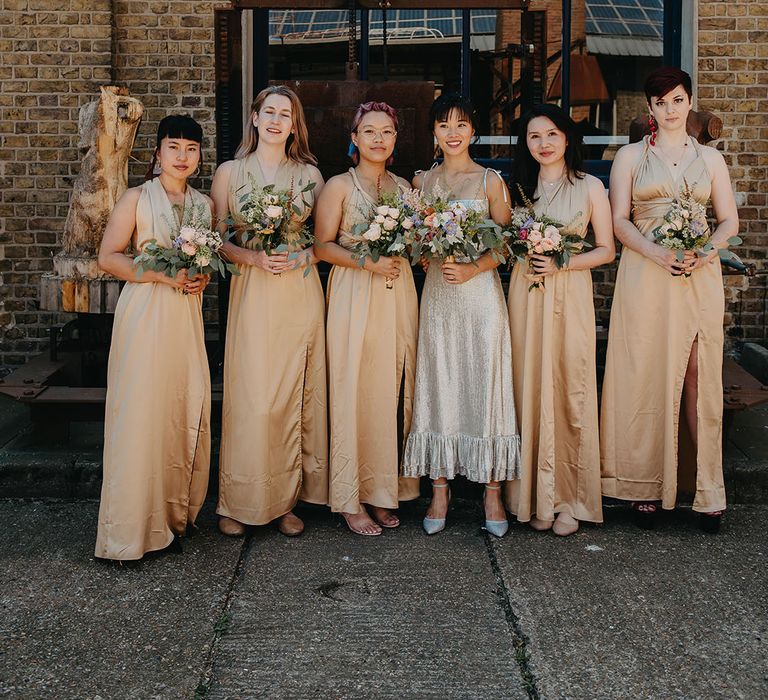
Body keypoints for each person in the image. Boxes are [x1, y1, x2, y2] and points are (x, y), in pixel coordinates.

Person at [600, 67, 739, 533]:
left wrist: (704, 253)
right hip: (646, 271)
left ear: (689, 102)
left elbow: (729, 222)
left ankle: (707, 490)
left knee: (699, 374)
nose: (671, 109)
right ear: (651, 110)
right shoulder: (630, 156)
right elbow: (620, 220)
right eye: (661, 103)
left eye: (678, 100)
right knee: (647, 370)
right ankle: (646, 487)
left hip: (699, 275)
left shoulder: (712, 161)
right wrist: (659, 252)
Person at [402, 93, 520, 537]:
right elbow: (412, 244)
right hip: (438, 297)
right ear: (434, 132)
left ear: (474, 131)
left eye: (462, 124)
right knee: (440, 381)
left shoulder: (491, 180)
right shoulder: (423, 183)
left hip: (480, 297)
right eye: (444, 124)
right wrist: (425, 252)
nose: (453, 132)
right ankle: (439, 488)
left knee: (484, 383)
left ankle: (491, 491)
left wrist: (471, 266)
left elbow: (506, 244)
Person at [95, 115, 212, 560]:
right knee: (142, 414)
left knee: (179, 406)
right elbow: (109, 258)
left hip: (185, 317)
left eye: (191, 149)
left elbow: (202, 260)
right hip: (144, 315)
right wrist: (163, 276)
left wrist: (199, 279)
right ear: (158, 153)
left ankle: (169, 518)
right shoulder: (136, 198)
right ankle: (130, 532)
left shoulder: (202, 206)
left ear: (199, 157)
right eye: (174, 147)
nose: (182, 156)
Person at [212, 86, 328, 538]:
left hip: (299, 294)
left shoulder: (312, 177)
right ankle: (237, 502)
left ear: (295, 125)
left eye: (287, 115)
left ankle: (285, 502)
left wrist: (301, 257)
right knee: (251, 397)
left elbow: (326, 242)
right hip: (252, 291)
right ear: (256, 118)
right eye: (270, 112)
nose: (278, 121)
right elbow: (216, 241)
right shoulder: (229, 172)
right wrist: (254, 258)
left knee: (292, 396)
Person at [504, 104, 615, 536]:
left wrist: (561, 263)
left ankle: (571, 500)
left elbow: (606, 250)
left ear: (567, 138)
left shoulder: (590, 188)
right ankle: (530, 497)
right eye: (534, 136)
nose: (544, 143)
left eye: (551, 134)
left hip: (569, 293)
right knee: (528, 385)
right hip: (524, 293)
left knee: (570, 387)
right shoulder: (519, 191)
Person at [314, 101, 420, 536]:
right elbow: (322, 247)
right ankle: (348, 496)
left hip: (399, 292)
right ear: (354, 139)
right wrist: (366, 262)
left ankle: (382, 490)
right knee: (353, 387)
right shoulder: (339, 186)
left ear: (395, 140)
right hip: (354, 291)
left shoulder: (404, 187)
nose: (379, 138)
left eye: (387, 132)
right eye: (370, 131)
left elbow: (415, 242)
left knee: (391, 388)